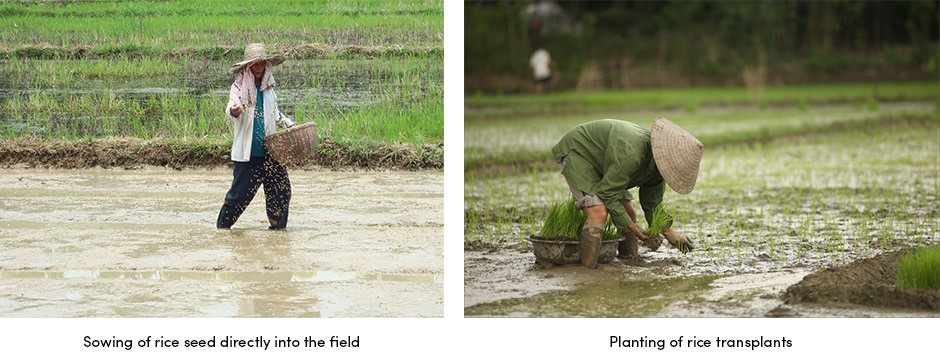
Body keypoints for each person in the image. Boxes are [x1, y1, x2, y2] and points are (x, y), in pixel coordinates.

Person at [551, 118, 702, 268]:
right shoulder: (632, 155)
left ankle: (629, 260)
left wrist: (674, 237)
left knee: (628, 212)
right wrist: (632, 227)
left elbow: (652, 206)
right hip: (581, 152)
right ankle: (588, 271)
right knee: (598, 211)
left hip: (608, 162)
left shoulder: (658, 171)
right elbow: (608, 193)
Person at [216, 43, 295, 230]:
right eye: (255, 65)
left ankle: (278, 231)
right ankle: (222, 229)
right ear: (247, 67)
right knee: (238, 197)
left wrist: (288, 123)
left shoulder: (268, 88)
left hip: (271, 154)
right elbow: (230, 108)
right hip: (248, 156)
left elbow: (274, 113)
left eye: (262, 64)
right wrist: (234, 111)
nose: (259, 68)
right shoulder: (239, 87)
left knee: (282, 192)